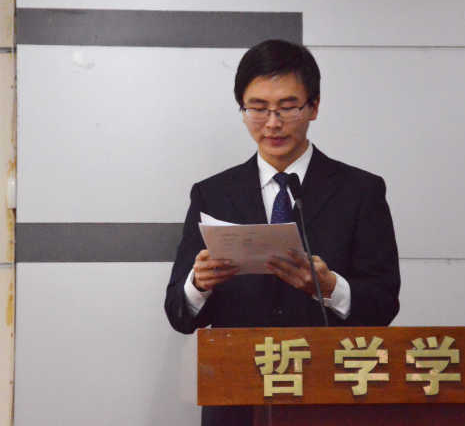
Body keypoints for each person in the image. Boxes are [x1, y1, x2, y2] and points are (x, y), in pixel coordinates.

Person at [164, 39, 400, 425]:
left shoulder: (361, 191)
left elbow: (384, 303)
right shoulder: (213, 194)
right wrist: (198, 284)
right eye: (258, 108)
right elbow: (178, 313)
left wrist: (329, 288)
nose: (272, 123)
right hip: (236, 405)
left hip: (327, 399)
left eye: (288, 107)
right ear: (242, 110)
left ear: (314, 107)